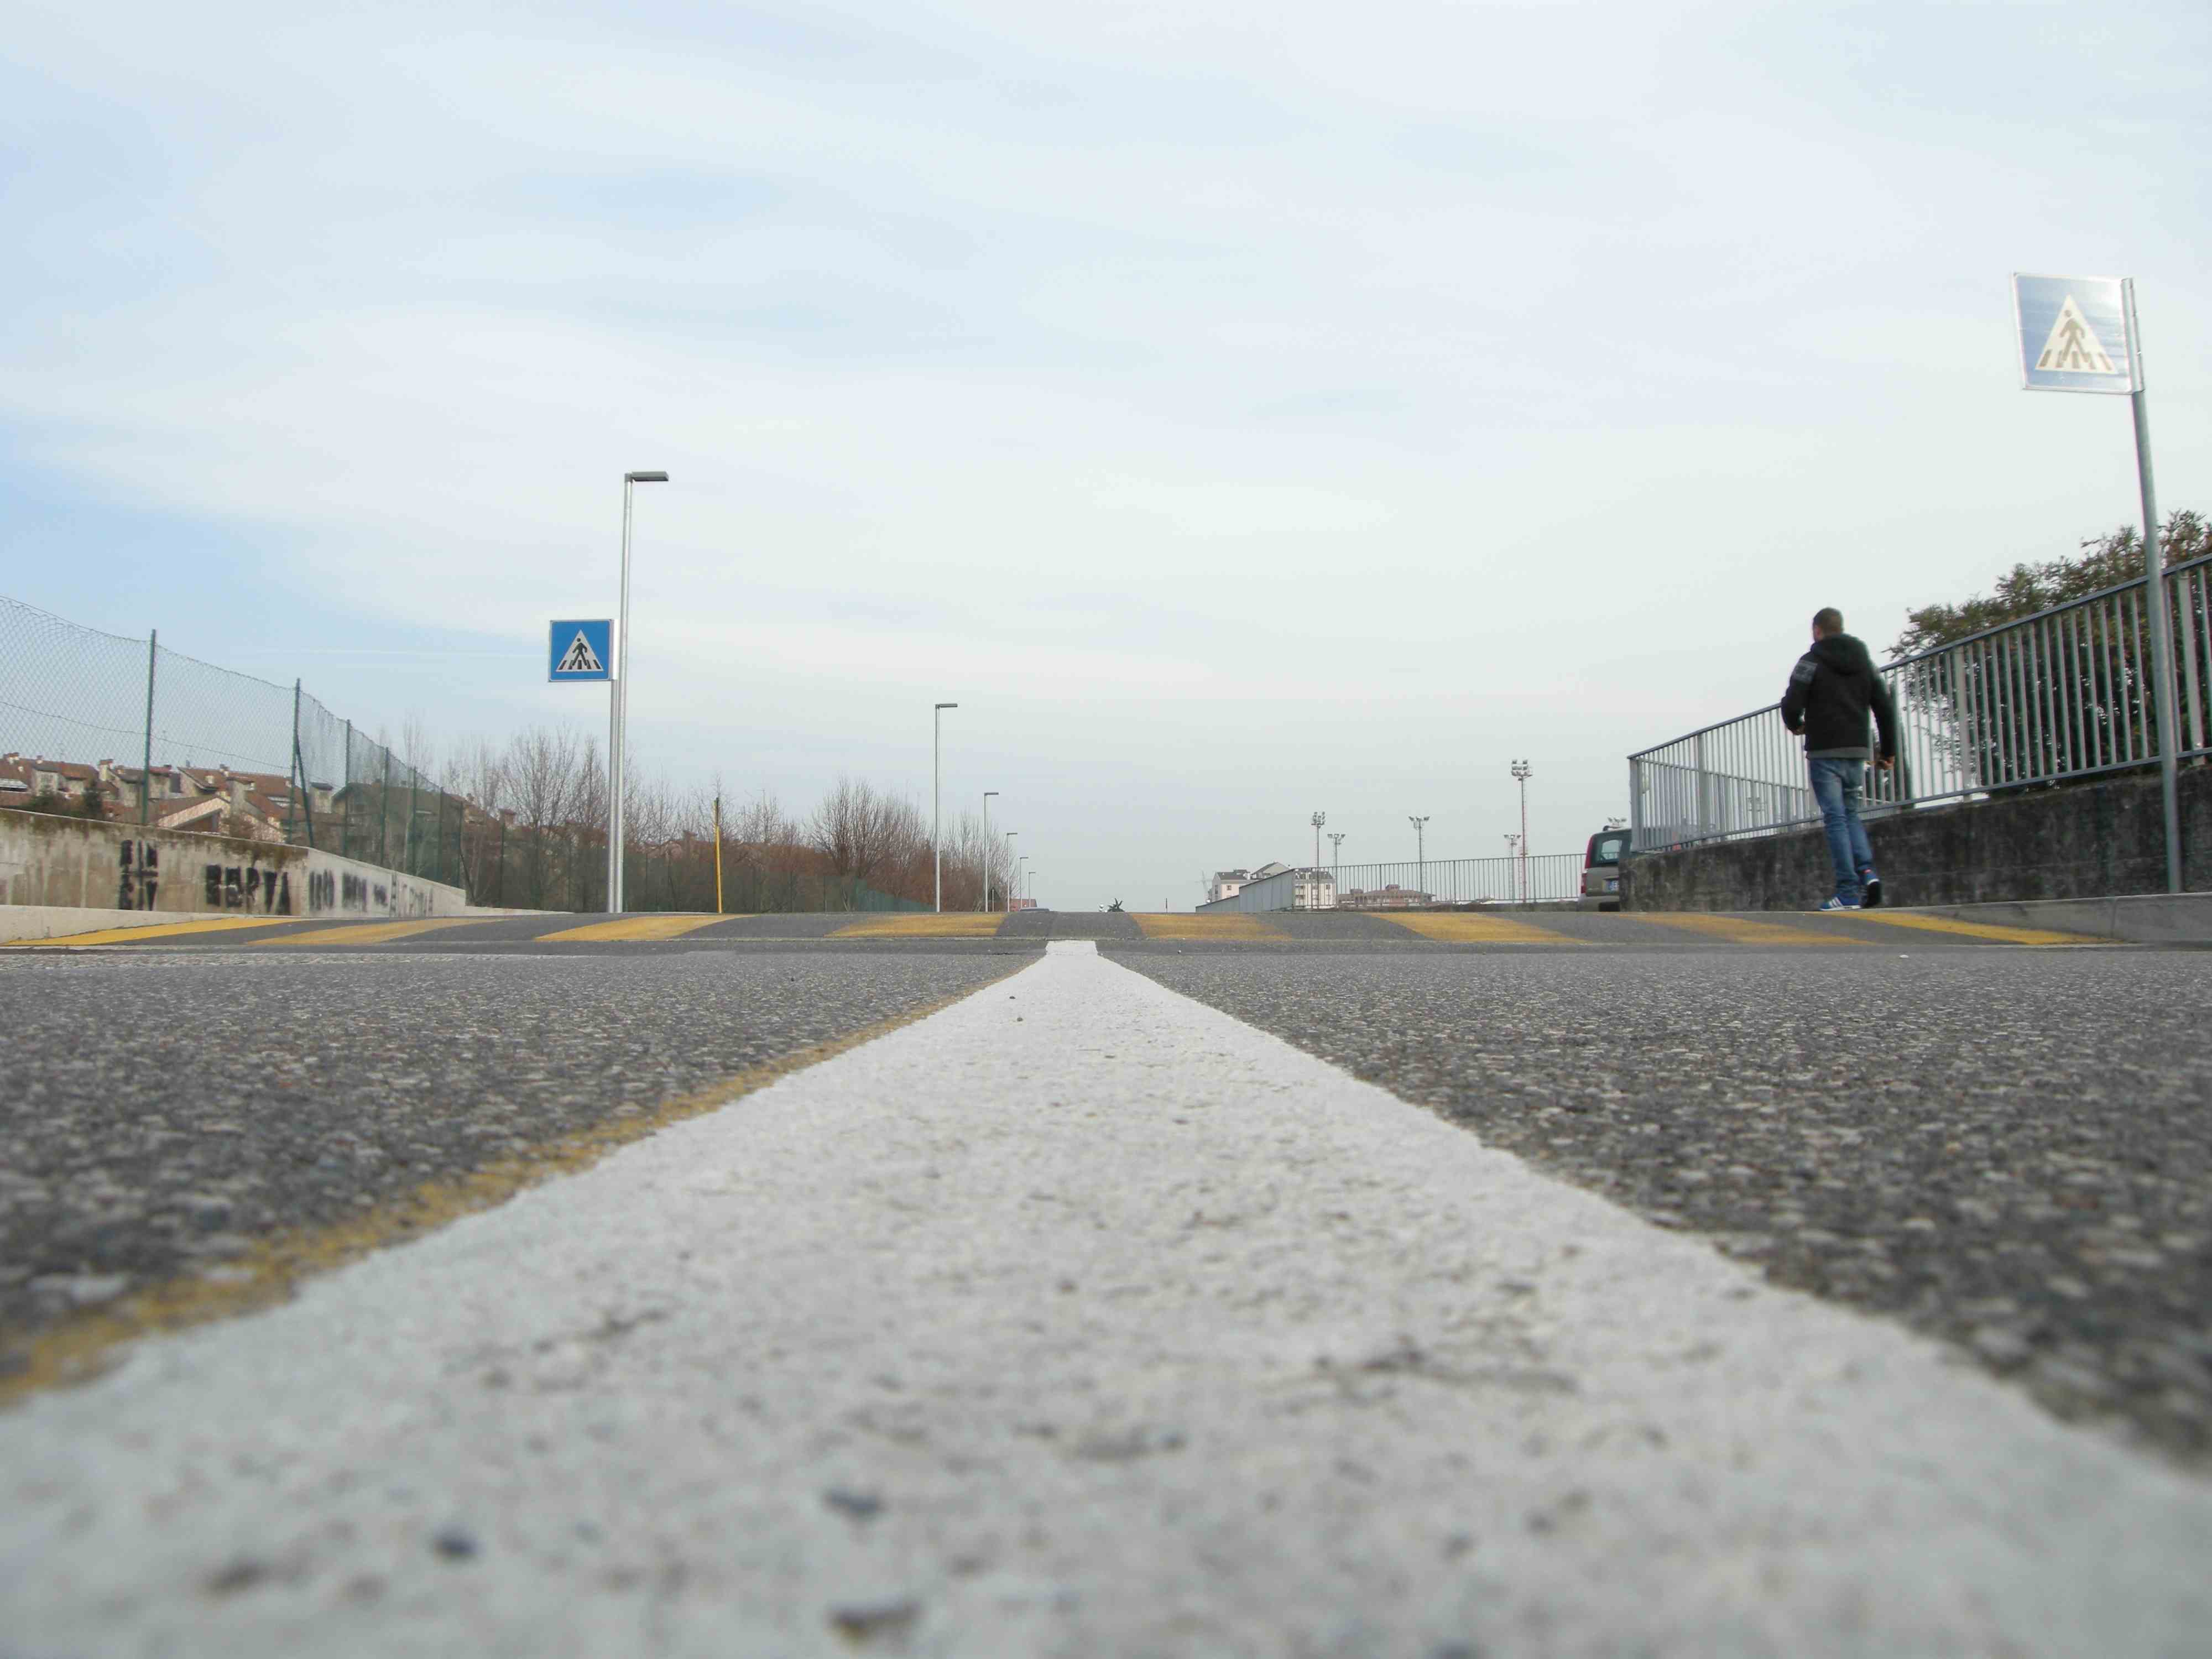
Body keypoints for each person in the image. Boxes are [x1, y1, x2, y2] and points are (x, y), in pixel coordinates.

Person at [1781, 607, 1898, 911]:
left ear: (1817, 630)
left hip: (1824, 750)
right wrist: (1887, 751)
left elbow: (1793, 700)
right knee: (1851, 814)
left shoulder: (1811, 661)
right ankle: (1868, 873)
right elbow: (1884, 707)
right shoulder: (1865, 663)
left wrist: (1795, 724)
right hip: (1857, 750)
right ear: (1841, 629)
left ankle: (1847, 891)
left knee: (1835, 818)